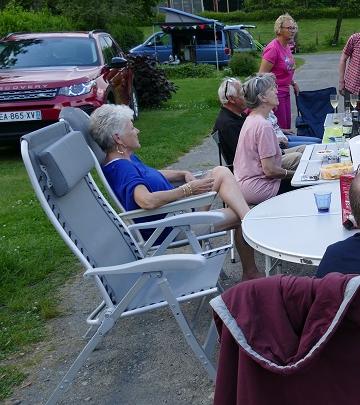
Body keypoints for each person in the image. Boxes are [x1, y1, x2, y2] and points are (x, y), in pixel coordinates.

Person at [88, 104, 262, 281]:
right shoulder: (122, 168)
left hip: (177, 213)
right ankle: (251, 265)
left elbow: (150, 175)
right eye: (132, 128)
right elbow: (146, 201)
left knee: (220, 172)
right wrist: (186, 190)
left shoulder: (126, 158)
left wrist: (182, 174)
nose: (137, 130)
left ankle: (252, 224)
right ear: (118, 138)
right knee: (240, 215)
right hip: (172, 226)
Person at [213, 77, 313, 172]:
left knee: (308, 149)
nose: (246, 98)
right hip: (255, 166)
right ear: (231, 99)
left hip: (266, 156)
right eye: (243, 95)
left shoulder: (239, 115)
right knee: (298, 157)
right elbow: (246, 154)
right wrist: (274, 142)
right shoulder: (228, 123)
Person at [233, 74, 295, 205]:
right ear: (262, 98)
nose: (276, 91)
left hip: (245, 184)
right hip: (260, 188)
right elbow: (270, 170)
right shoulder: (263, 126)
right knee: (309, 185)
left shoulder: (252, 118)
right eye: (272, 89)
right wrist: (296, 174)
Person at [259, 13, 300, 130]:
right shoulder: (273, 49)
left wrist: (293, 83)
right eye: (289, 28)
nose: (292, 31)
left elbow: (284, 70)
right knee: (281, 128)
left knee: (287, 126)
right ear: (279, 30)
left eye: (294, 28)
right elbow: (261, 75)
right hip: (275, 93)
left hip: (285, 91)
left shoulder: (286, 46)